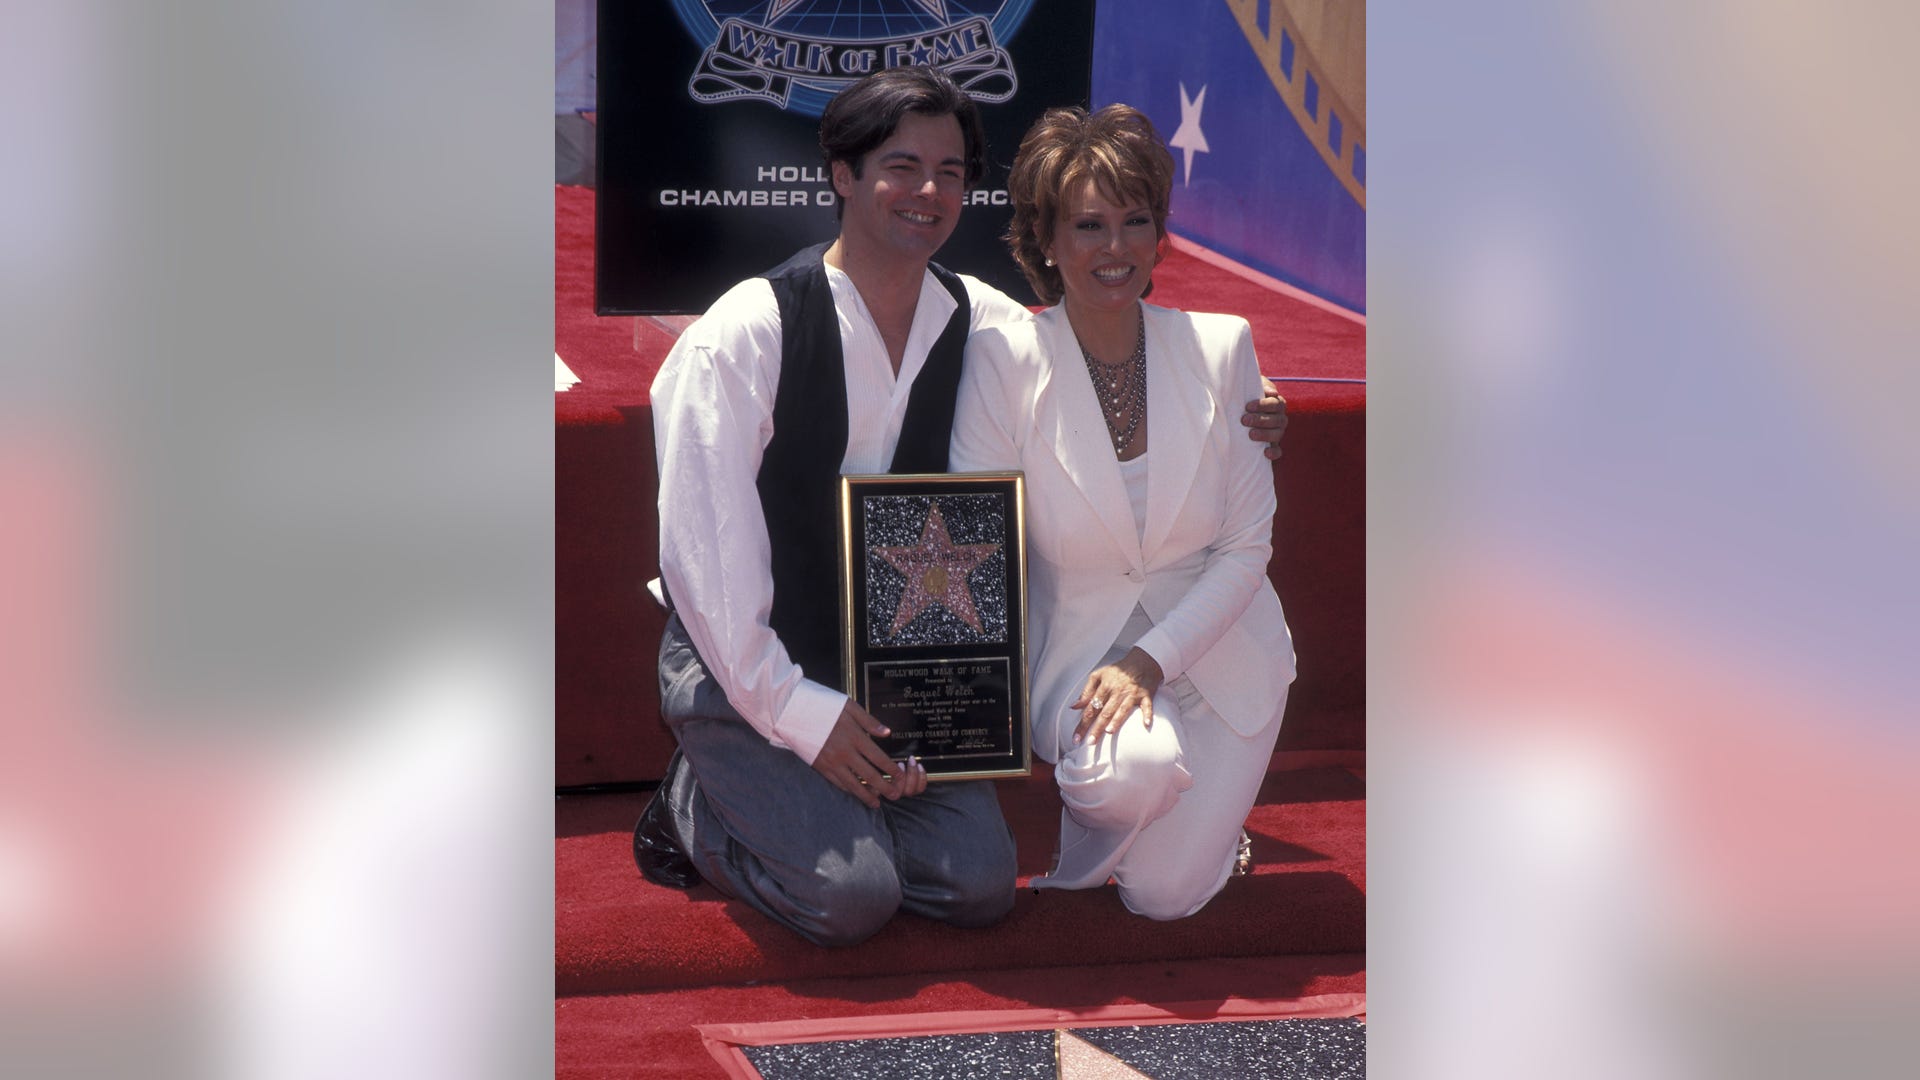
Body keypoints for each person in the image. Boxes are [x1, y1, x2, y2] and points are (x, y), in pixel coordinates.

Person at [637, 69, 1290, 947]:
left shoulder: (980, 323)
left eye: (951, 170)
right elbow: (703, 568)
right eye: (902, 165)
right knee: (850, 900)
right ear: (841, 173)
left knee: (976, 887)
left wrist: (1243, 401)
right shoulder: (743, 336)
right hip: (744, 664)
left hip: (891, 667)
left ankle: (821, 807)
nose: (930, 190)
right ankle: (690, 804)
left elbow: (1095, 353)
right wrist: (808, 720)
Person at [949, 104, 1295, 920]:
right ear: (1045, 239)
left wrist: (1149, 662)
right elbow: (975, 536)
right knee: (1134, 774)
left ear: (1161, 233)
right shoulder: (1005, 359)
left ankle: (1192, 842)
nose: (1115, 248)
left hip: (1223, 655)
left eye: (1135, 221)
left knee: (1163, 898)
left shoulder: (1222, 348)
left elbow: (1247, 546)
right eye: (1088, 224)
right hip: (1079, 655)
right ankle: (1160, 812)